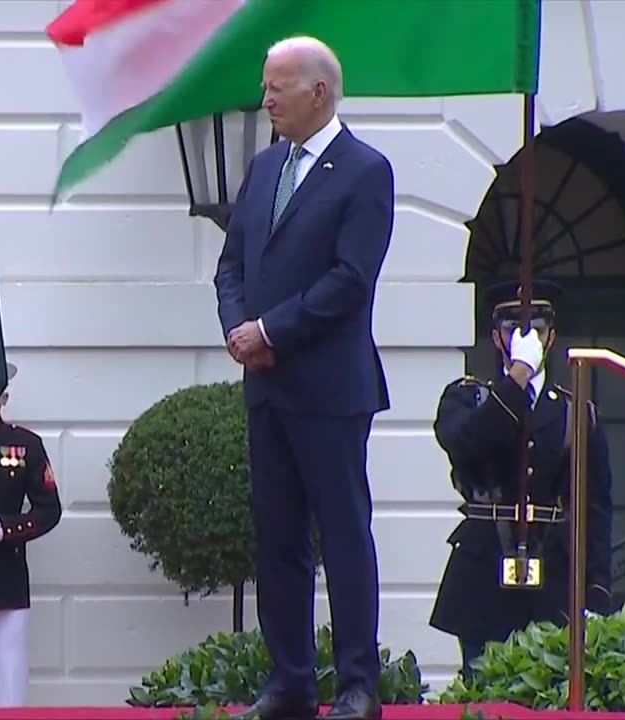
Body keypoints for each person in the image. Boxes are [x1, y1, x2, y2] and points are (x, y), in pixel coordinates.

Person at [214, 36, 393, 720]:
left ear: (319, 92)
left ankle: (356, 685)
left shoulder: (365, 171)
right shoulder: (263, 169)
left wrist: (273, 331)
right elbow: (232, 264)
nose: (264, 100)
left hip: (330, 389)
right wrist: (239, 330)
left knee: (344, 535)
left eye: (275, 88)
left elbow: (350, 279)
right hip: (266, 387)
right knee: (278, 539)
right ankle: (291, 680)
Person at [428, 279, 614, 674]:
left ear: (551, 338)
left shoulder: (575, 412)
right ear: (496, 337)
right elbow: (465, 445)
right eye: (513, 329)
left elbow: (594, 507)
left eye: (536, 330)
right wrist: (515, 379)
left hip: (553, 577)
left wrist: (595, 589)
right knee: (483, 691)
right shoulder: (468, 397)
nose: (524, 338)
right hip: (484, 572)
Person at [0, 362, 63, 706]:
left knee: (10, 685)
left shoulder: (24, 445)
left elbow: (49, 510)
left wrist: (6, 529)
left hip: (5, 577)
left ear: (4, 398)